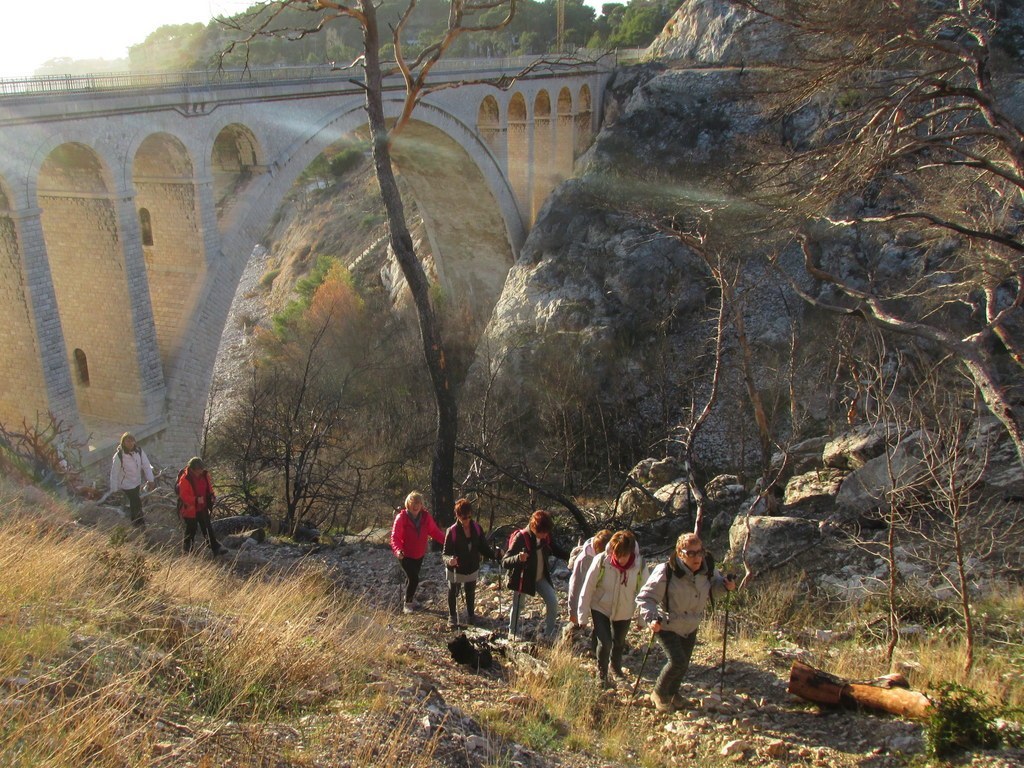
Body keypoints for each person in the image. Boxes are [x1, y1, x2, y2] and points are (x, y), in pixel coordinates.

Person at [636, 532, 736, 712]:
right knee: (677, 661)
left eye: (699, 552)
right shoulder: (665, 571)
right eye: (691, 553)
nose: (697, 557)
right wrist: (651, 619)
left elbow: (714, 589)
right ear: (680, 553)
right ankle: (659, 693)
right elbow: (645, 598)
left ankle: (673, 694)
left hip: (691, 624)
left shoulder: (708, 568)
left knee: (684, 664)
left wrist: (725, 586)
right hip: (666, 623)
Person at [578, 530, 645, 688]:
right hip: (600, 606)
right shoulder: (601, 561)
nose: (621, 559)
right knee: (605, 642)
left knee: (619, 642)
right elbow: (587, 588)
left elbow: (644, 592)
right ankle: (602, 676)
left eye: (624, 555)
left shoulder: (639, 565)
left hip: (625, 609)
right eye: (617, 554)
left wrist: (642, 618)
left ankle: (616, 668)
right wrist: (582, 615)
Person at [502, 509, 570, 640]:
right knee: (518, 606)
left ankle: (548, 634)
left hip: (540, 577)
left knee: (552, 602)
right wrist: (518, 558)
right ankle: (513, 632)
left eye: (546, 532)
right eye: (542, 533)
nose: (544, 536)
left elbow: (555, 549)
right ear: (534, 527)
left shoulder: (546, 536)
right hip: (523, 578)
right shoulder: (521, 537)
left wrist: (571, 555)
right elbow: (505, 561)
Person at [442, 498, 495, 628]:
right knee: (452, 591)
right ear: (457, 515)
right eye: (463, 517)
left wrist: (496, 555)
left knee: (470, 591)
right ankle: (452, 616)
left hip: (472, 567)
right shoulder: (452, 531)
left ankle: (471, 616)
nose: (466, 520)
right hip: (455, 568)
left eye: (469, 516)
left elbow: (484, 549)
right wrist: (450, 560)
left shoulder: (477, 528)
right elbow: (444, 554)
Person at [391, 491, 445, 614]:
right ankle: (408, 604)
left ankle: (409, 597)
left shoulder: (426, 517)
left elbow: (435, 532)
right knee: (414, 579)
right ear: (408, 504)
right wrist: (398, 550)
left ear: (422, 505)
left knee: (411, 578)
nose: (416, 505)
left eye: (419, 503)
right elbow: (395, 537)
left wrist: (447, 542)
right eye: (413, 503)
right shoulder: (402, 517)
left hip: (419, 554)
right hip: (404, 555)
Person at [568, 528, 613, 655]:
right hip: (585, 595)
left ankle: (595, 650)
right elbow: (575, 586)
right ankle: (565, 645)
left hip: (599, 596)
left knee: (600, 624)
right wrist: (573, 611)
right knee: (576, 625)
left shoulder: (607, 554)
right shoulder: (584, 560)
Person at [178, 457, 224, 555]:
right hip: (190, 509)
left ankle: (215, 548)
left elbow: (209, 487)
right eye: (198, 469)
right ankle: (187, 551)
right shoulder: (185, 479)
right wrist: (195, 500)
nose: (200, 471)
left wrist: (212, 495)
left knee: (207, 527)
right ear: (192, 469)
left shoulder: (205, 475)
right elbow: (184, 496)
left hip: (202, 507)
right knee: (191, 529)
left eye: (201, 468)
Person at [109, 432, 154, 529]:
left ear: (134, 442)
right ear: (123, 443)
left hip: (136, 482)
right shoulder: (119, 456)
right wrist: (114, 489)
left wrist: (151, 480)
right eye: (127, 441)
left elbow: (146, 465)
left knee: (135, 501)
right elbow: (114, 472)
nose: (130, 443)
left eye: (131, 441)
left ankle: (137, 521)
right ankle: (138, 523)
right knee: (135, 501)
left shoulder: (139, 452)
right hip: (125, 484)